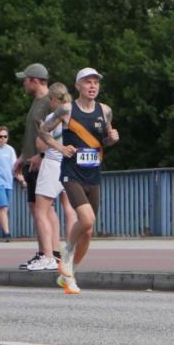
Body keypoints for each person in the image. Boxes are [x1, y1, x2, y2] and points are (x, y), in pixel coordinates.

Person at [52, 67, 119, 290]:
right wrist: (60, 148)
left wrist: (112, 139)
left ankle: (69, 273)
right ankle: (67, 253)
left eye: (96, 82)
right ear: (78, 85)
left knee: (88, 231)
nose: (92, 86)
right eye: (88, 82)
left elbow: (104, 140)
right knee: (87, 219)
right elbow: (43, 131)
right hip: (71, 172)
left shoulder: (105, 111)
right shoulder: (66, 110)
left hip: (93, 174)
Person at [28, 83, 77, 275]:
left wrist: (42, 129)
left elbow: (41, 145)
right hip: (71, 166)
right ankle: (68, 254)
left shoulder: (53, 117)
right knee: (70, 210)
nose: (49, 102)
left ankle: (48, 256)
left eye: (50, 99)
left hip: (53, 164)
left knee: (41, 211)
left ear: (55, 100)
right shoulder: (75, 114)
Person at [14, 63, 51, 269]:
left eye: (25, 80)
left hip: (42, 163)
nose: (24, 84)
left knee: (44, 210)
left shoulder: (49, 102)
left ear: (35, 81)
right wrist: (22, 156)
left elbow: (57, 133)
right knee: (35, 209)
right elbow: (33, 134)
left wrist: (42, 155)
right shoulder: (36, 102)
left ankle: (50, 254)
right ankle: (42, 252)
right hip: (30, 162)